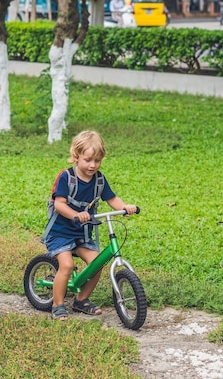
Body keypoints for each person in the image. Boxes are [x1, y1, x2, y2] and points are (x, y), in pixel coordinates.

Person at [43, 130, 137, 321]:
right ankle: (58, 304)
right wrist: (76, 214)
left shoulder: (99, 180)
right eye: (88, 160)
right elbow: (59, 204)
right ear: (76, 157)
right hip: (60, 232)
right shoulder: (66, 178)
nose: (93, 165)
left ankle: (81, 300)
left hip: (82, 234)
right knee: (67, 265)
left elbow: (112, 199)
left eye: (97, 160)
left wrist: (125, 207)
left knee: (97, 263)